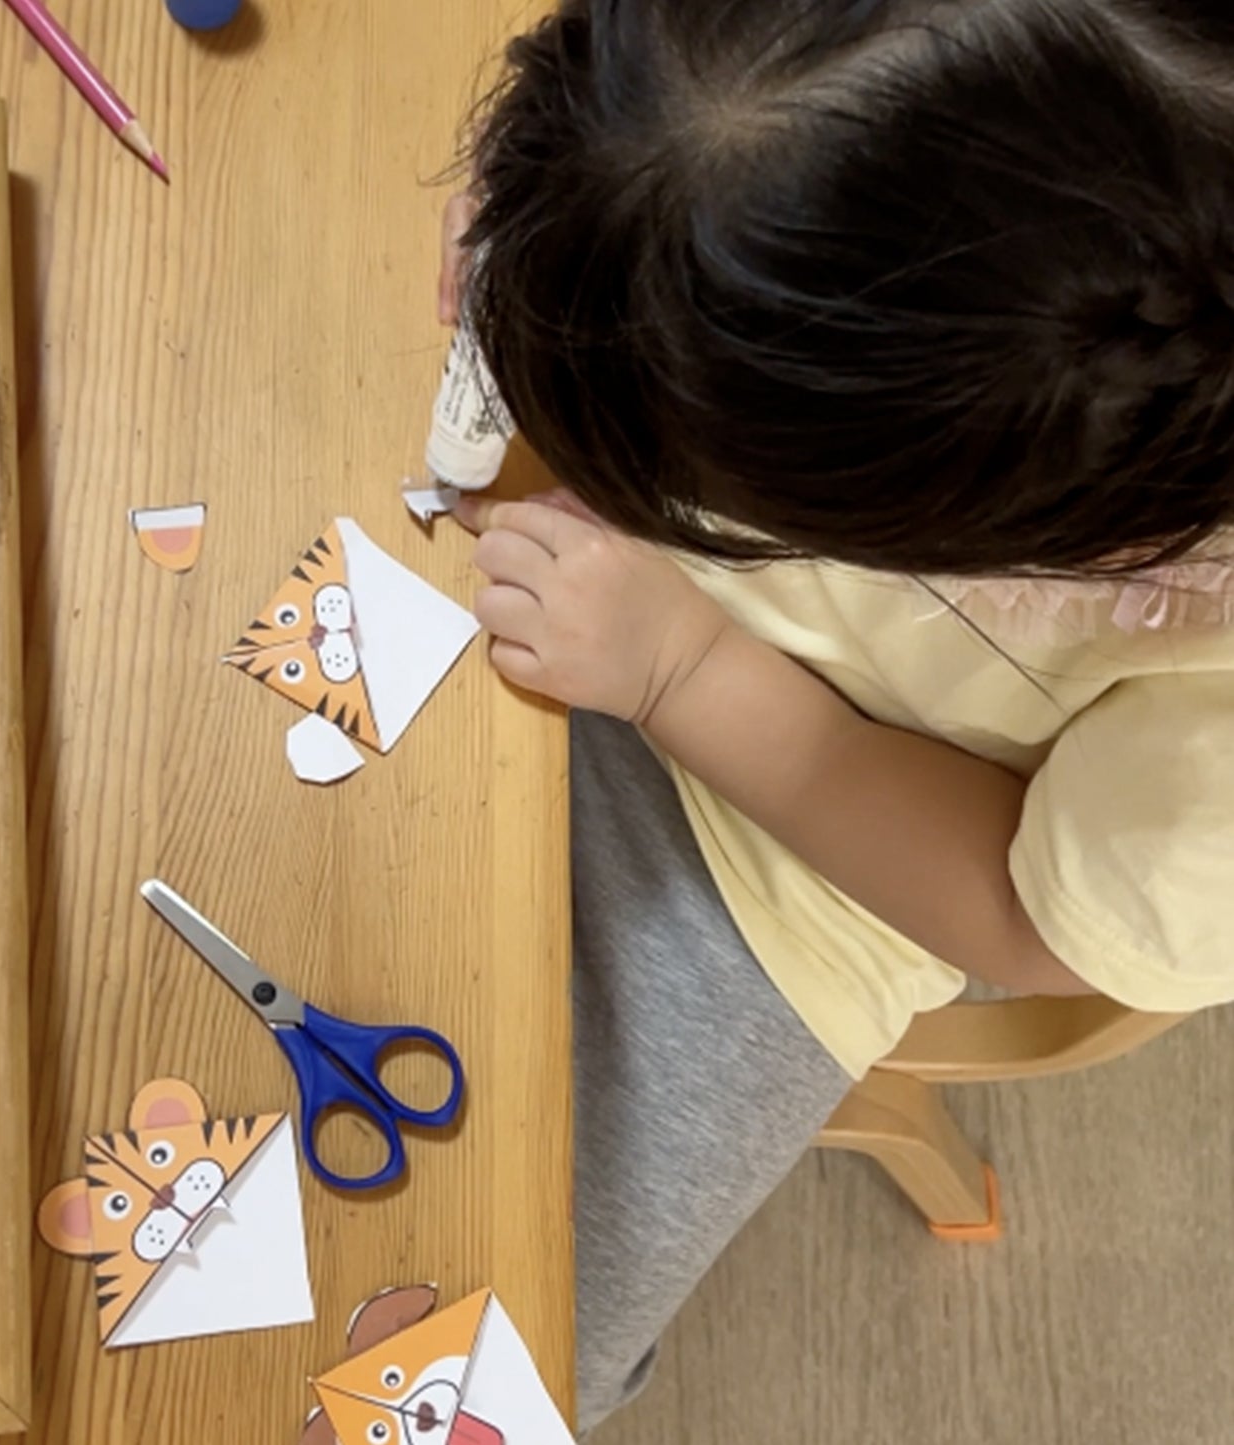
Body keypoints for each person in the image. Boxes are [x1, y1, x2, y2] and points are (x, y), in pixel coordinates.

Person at [434, 0, 1234, 1431]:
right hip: (592, 526)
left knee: (476, 1335)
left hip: (809, 870)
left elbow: (1021, 918)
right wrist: (566, 225)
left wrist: (685, 669)